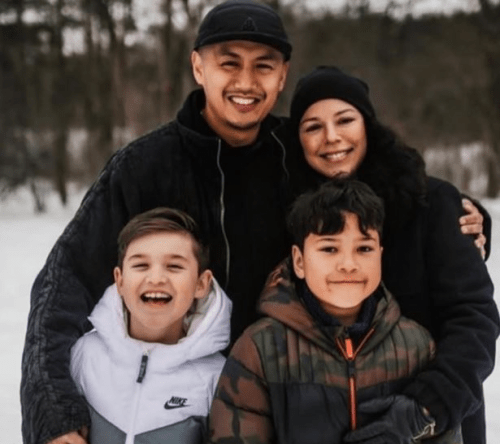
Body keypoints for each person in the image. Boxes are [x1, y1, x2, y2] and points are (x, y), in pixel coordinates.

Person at [20, 2, 487, 443]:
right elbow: (64, 283)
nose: (246, 81)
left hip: (301, 409)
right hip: (174, 414)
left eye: (263, 66)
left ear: (282, 76)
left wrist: (456, 215)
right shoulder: (145, 167)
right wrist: (54, 413)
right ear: (198, 66)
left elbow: (379, 190)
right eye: (229, 63)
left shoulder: (300, 156)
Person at [281, 66, 498, 444]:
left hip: (435, 424)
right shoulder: (292, 217)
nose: (331, 137)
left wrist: (425, 409)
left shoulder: (433, 204)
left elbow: (473, 319)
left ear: (367, 125)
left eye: (345, 120)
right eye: (313, 126)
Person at [208, 179, 463, 444]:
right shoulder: (260, 349)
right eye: (329, 249)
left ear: (380, 256)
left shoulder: (416, 346)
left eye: (364, 249)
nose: (348, 264)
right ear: (299, 261)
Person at [67, 207, 231, 444]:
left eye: (174, 266)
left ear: (201, 284)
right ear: (120, 280)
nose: (156, 278)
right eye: (141, 265)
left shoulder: (217, 376)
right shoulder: (84, 354)